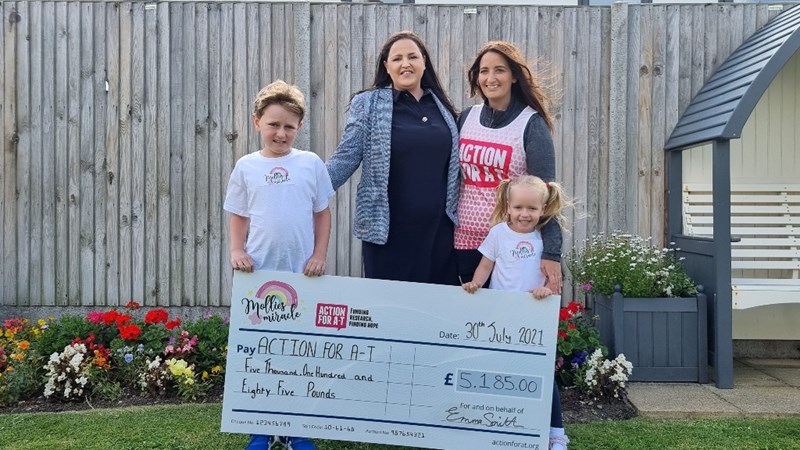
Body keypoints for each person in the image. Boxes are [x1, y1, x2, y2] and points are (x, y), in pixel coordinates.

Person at [224, 80, 333, 450]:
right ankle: (260, 428)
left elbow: (322, 213)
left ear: (299, 126)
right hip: (257, 277)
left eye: (289, 126)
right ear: (257, 122)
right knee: (259, 352)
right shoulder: (246, 167)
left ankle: (296, 428)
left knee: (298, 352)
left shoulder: (310, 164)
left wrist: (319, 255)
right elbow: (238, 215)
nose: (281, 133)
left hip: (303, 277)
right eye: (273, 124)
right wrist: (236, 250)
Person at [326, 30, 461, 286]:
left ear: (424, 62)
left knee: (436, 305)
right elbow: (346, 156)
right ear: (387, 66)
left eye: (412, 57)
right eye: (397, 59)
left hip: (439, 234)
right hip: (388, 234)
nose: (405, 64)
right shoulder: (368, 104)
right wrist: (307, 188)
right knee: (388, 307)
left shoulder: (442, 107)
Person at [462, 175, 571, 450]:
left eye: (532, 208)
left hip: (535, 314)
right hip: (502, 315)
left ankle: (556, 433)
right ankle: (506, 425)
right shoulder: (498, 233)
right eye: (519, 207)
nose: (525, 214)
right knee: (502, 369)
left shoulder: (545, 238)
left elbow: (553, 277)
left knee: (542, 371)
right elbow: (486, 265)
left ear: (543, 209)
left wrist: (546, 289)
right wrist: (476, 283)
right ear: (508, 206)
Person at [455, 40, 563, 294]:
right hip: (463, 241)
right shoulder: (466, 117)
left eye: (499, 70)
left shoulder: (531, 125)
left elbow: (547, 195)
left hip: (513, 247)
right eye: (484, 71)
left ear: (514, 76)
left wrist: (551, 252)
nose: (490, 78)